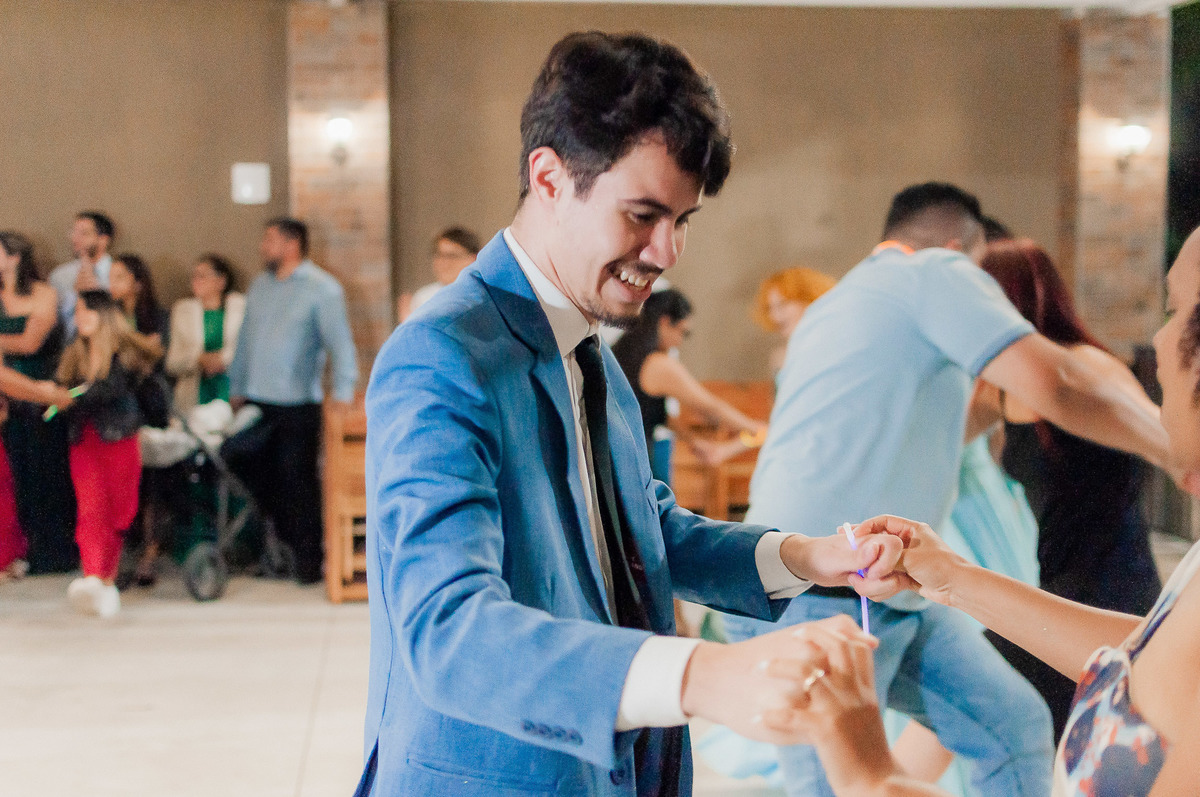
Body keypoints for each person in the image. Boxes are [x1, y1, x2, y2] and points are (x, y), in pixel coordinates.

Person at [356, 32, 911, 797]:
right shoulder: (443, 355)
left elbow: (648, 534)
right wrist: (705, 673)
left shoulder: (590, 352)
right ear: (549, 178)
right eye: (643, 214)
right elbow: (449, 632)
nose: (667, 251)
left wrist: (813, 557)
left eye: (682, 220)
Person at [729, 181, 1170, 797]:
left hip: (882, 582)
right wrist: (1178, 453)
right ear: (963, 249)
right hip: (822, 585)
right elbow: (1058, 385)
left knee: (1013, 726)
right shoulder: (936, 271)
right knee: (837, 782)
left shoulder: (842, 302)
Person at [971, 237, 1163, 739]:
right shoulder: (1000, 387)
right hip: (1058, 578)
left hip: (1111, 583)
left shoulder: (1087, 368)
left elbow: (1161, 438)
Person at [225, 217, 357, 584]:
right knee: (243, 463)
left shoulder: (322, 289)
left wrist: (343, 394)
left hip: (297, 403)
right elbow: (245, 340)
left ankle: (307, 563)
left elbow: (341, 346)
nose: (262, 247)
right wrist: (237, 383)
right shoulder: (259, 287)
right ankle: (276, 548)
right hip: (257, 399)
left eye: (269, 240)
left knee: (297, 484)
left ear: (292, 243)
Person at [56, 290, 162, 618]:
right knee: (91, 509)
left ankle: (105, 579)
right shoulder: (73, 353)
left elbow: (109, 389)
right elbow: (62, 390)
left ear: (103, 314)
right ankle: (94, 576)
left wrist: (71, 397)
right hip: (84, 440)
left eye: (86, 311)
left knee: (119, 511)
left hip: (119, 439)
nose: (80, 318)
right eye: (77, 312)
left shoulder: (125, 355)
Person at [612, 288, 766, 482]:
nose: (680, 342)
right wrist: (755, 428)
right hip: (631, 463)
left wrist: (692, 439)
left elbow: (650, 412)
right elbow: (710, 407)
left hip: (616, 456)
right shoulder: (658, 364)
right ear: (665, 322)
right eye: (683, 332)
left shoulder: (623, 352)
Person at [0, 231, 77, 576]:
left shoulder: (44, 293)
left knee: (48, 471)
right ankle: (20, 550)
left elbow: (31, 343)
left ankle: (54, 551)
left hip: (40, 387)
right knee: (14, 475)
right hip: (6, 395)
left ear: (15, 257)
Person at [165, 254, 245, 413]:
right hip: (194, 393)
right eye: (194, 276)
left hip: (231, 391)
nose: (196, 281)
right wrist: (199, 358)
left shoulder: (240, 308)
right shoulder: (183, 311)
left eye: (202, 276)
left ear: (221, 281)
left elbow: (248, 351)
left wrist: (222, 359)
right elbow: (172, 362)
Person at [753, 266, 838, 374]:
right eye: (770, 308)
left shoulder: (832, 345)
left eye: (783, 304)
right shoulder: (785, 356)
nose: (775, 316)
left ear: (809, 299)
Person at [48, 211, 115, 337]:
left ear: (103, 240)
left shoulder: (118, 273)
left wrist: (98, 293)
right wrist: (74, 294)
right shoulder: (60, 275)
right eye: (73, 232)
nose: (75, 239)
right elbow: (53, 320)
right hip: (70, 342)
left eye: (84, 233)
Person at [396, 226, 481, 322]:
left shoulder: (482, 296)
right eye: (439, 255)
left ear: (473, 258)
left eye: (451, 256)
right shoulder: (423, 297)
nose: (443, 263)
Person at [108, 253, 169, 352]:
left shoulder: (159, 317)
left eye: (119, 277)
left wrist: (126, 332)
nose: (112, 284)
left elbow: (157, 351)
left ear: (138, 283)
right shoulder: (110, 314)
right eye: (110, 278)